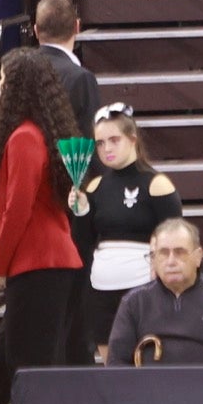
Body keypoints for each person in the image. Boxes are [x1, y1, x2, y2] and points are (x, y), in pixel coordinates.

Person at [0, 48, 88, 404]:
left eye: (4, 80)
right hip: (49, 264)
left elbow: (17, 209)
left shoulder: (24, 137)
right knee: (4, 364)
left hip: (38, 265)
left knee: (30, 370)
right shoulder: (41, 133)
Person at [72, 104, 181, 361]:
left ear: (132, 140)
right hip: (101, 292)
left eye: (114, 140)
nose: (106, 149)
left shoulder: (157, 184)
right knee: (113, 369)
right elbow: (82, 244)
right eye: (100, 143)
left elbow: (177, 238)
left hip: (145, 290)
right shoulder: (95, 187)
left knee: (147, 364)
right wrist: (81, 212)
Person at [106, 219, 203, 365]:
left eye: (180, 252)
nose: (171, 261)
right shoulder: (133, 302)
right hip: (150, 384)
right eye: (163, 253)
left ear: (198, 257)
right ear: (154, 259)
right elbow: (117, 363)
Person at [34, 0, 102, 135]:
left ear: (36, 30)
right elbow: (88, 141)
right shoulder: (81, 79)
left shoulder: (17, 70)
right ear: (77, 27)